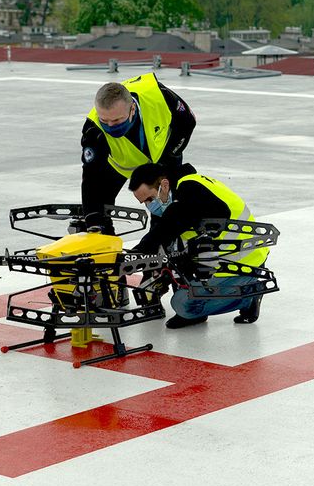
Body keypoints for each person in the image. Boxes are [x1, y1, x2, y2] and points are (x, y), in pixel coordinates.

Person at [127, 162, 270, 329]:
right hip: (225, 262)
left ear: (164, 185)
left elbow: (169, 226)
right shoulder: (182, 191)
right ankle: (212, 300)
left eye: (150, 199)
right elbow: (164, 236)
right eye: (144, 202)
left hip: (243, 264)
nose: (149, 205)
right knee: (175, 253)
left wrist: (132, 256)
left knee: (182, 304)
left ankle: (249, 298)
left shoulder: (190, 190)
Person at [80, 72, 195, 233]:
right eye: (104, 121)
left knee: (165, 208)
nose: (110, 126)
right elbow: (91, 176)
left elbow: (188, 120)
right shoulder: (94, 129)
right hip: (119, 164)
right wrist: (93, 220)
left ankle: (161, 243)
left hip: (163, 156)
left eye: (117, 120)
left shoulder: (158, 96)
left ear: (132, 108)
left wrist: (171, 153)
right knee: (99, 210)